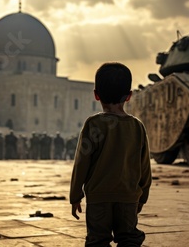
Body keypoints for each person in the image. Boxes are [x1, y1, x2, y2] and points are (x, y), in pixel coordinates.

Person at [69, 62, 152, 246]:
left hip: (99, 199)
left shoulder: (93, 124)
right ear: (129, 96)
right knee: (129, 238)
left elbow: (81, 163)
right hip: (128, 198)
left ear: (96, 95)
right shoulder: (137, 127)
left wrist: (75, 195)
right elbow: (145, 166)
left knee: (97, 240)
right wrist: (142, 196)